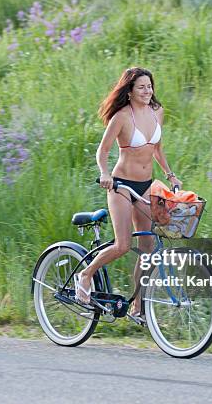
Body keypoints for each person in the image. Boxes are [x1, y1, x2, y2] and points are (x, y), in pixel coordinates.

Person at [74, 67, 182, 321]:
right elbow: (102, 151)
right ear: (130, 91)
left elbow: (157, 148)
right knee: (122, 245)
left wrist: (170, 174)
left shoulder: (157, 112)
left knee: (148, 247)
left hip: (145, 185)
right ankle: (86, 275)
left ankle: (137, 305)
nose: (147, 91)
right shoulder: (121, 117)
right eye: (141, 87)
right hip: (121, 185)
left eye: (150, 86)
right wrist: (104, 173)